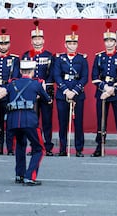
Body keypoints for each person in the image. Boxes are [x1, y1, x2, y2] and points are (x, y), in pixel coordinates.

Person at [0, 60, 52, 186]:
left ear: (21, 71)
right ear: (32, 71)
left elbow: (5, 97)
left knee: (20, 147)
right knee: (39, 149)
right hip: (30, 121)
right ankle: (29, 176)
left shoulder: (12, 84)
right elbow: (47, 100)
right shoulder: (36, 84)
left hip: (13, 121)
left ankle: (19, 174)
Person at [90, 22, 117, 158]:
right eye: (107, 41)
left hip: (116, 94)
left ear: (115, 42)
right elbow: (94, 76)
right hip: (102, 93)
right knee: (101, 122)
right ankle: (99, 147)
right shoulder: (99, 57)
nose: (109, 43)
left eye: (111, 40)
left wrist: (111, 90)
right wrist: (104, 88)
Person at [53, 24, 89, 157]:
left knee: (78, 122)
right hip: (62, 95)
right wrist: (66, 90)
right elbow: (56, 75)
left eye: (74, 43)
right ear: (65, 44)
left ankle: (79, 149)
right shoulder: (59, 58)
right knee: (63, 123)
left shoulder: (82, 58)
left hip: (78, 94)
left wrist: (75, 91)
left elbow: (85, 76)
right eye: (70, 43)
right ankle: (63, 148)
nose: (72, 45)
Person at [21, 20, 55, 156]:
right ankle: (35, 145)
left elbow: (52, 74)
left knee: (47, 121)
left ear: (43, 40)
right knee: (32, 121)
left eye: (39, 38)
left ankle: (48, 146)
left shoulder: (49, 55)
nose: (37, 41)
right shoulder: (25, 55)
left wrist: (43, 88)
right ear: (31, 41)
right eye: (35, 39)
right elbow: (22, 74)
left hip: (46, 92)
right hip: (31, 93)